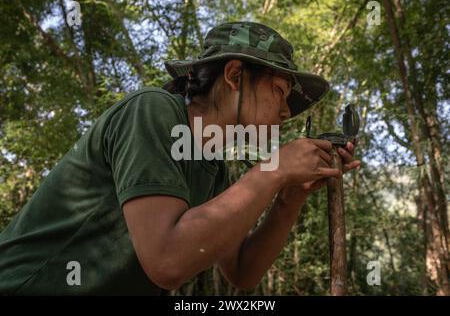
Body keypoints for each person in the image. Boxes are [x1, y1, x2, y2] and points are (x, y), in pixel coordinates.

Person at [0, 22, 360, 295]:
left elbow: (243, 272)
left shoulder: (213, 168)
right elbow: (166, 261)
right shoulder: (152, 111)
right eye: (279, 91)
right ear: (235, 75)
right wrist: (273, 169)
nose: (285, 113)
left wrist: (289, 196)